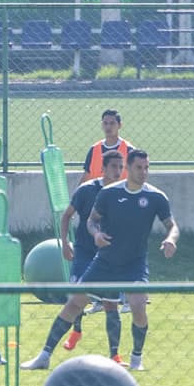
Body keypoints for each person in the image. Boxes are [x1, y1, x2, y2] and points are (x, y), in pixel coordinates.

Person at [22, 149, 178, 373]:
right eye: (138, 168)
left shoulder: (156, 197)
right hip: (104, 262)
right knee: (74, 304)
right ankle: (44, 355)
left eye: (147, 168)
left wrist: (170, 239)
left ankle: (136, 359)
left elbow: (172, 226)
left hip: (134, 264)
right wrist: (96, 234)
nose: (144, 172)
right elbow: (91, 221)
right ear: (128, 168)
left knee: (137, 306)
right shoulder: (108, 193)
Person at [57, 149, 126, 358]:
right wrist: (65, 243)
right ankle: (76, 330)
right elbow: (66, 216)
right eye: (113, 166)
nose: (117, 171)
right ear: (103, 169)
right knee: (77, 294)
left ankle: (115, 354)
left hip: (108, 257)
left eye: (120, 167)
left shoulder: (123, 193)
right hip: (85, 252)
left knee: (110, 303)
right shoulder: (86, 190)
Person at [79, 109, 131, 184]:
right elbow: (86, 176)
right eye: (105, 123)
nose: (108, 127)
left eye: (112, 123)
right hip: (97, 194)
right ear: (102, 125)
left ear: (120, 125)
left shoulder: (129, 150)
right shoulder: (94, 149)